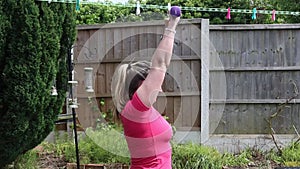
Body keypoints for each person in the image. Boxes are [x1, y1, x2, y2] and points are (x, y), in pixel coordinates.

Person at [111, 11, 180, 169]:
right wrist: (172, 26)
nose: (159, 87)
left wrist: (167, 31)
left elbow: (160, 62)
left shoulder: (140, 111)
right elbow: (160, 64)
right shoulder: (136, 110)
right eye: (152, 82)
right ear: (141, 85)